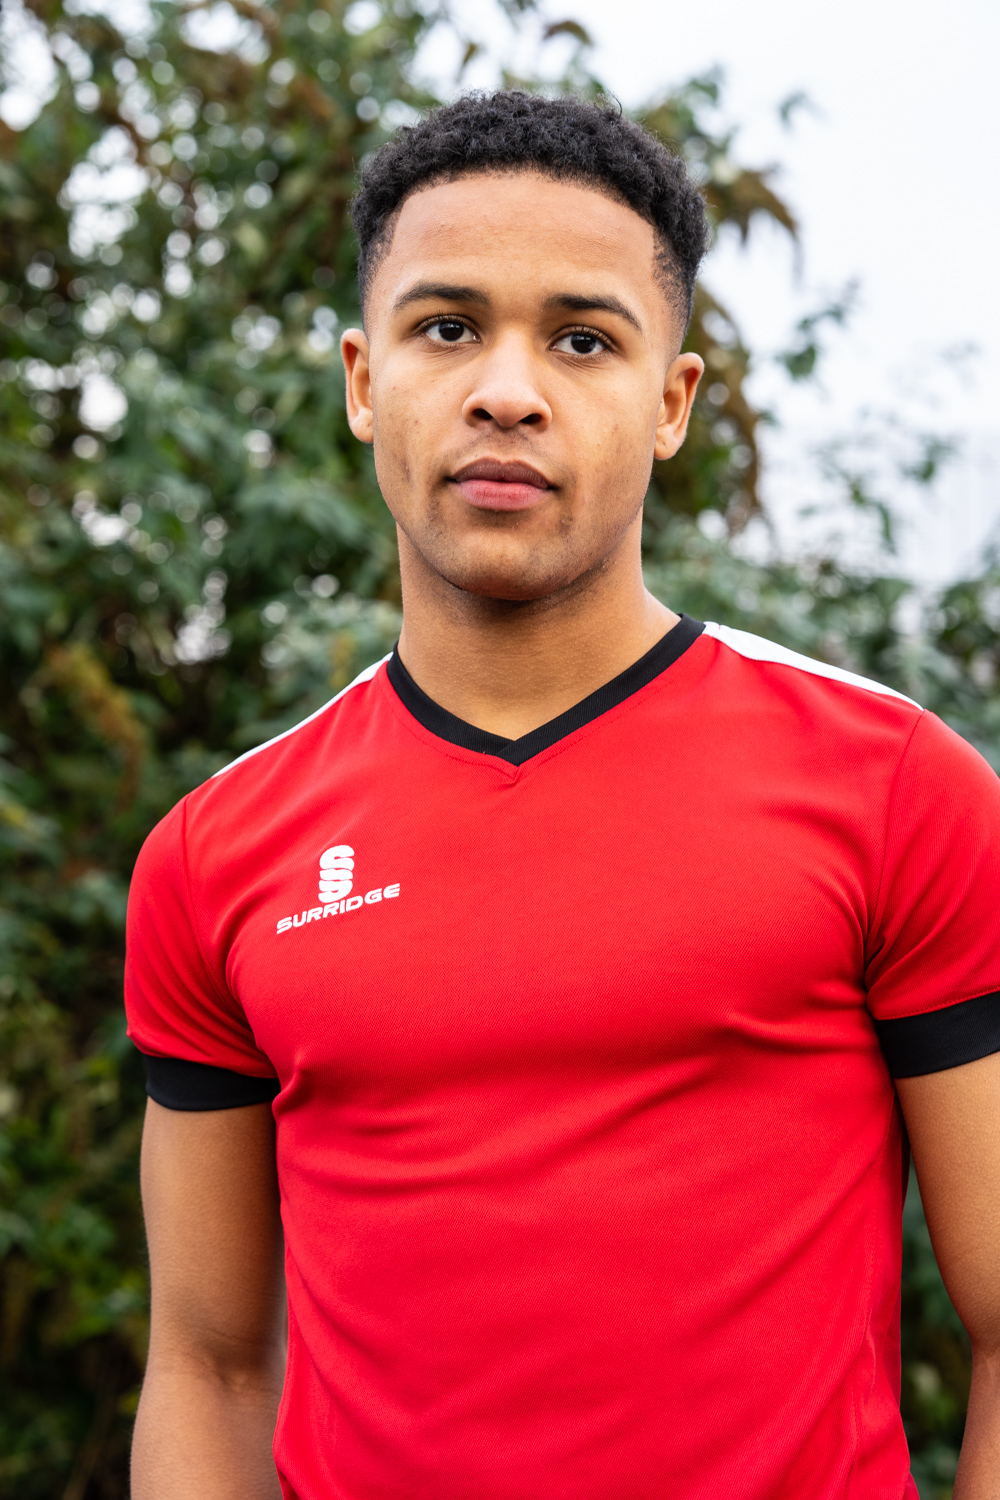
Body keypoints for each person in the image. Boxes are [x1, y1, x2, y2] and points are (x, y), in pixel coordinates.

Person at [125, 91, 1000, 1500]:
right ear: (363, 380)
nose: (507, 392)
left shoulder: (897, 786)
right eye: (446, 327)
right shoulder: (217, 851)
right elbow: (207, 1368)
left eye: (583, 339)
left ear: (672, 403)